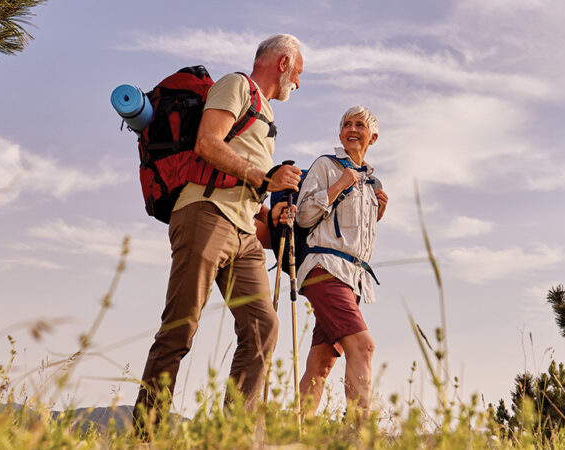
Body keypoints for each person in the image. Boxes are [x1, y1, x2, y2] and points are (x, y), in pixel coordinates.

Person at [135, 34, 305, 426]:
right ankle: (147, 433)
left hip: (244, 232)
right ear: (283, 63)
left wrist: (267, 213)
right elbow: (207, 144)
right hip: (205, 213)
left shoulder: (266, 114)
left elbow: (242, 177)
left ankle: (236, 434)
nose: (299, 81)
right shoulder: (237, 85)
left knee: (263, 325)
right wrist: (267, 177)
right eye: (299, 71)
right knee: (180, 328)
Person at [295, 106, 387, 417]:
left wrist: (379, 212)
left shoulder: (372, 185)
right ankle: (360, 435)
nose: (352, 128)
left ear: (372, 137)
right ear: (339, 134)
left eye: (360, 124)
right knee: (363, 346)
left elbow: (358, 238)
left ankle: (296, 431)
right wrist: (338, 186)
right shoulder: (326, 165)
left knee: (322, 362)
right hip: (325, 270)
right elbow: (304, 217)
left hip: (353, 279)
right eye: (346, 124)